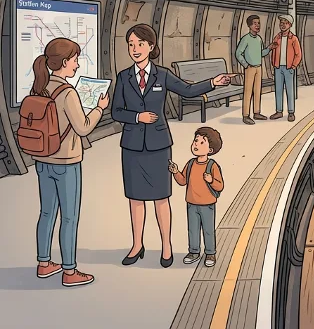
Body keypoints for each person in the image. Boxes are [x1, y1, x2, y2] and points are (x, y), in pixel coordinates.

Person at [112, 24, 233, 267]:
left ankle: (166, 245)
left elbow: (187, 91)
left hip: (158, 144)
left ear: (151, 47)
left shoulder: (163, 75)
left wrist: (213, 82)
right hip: (133, 145)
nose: (135, 49)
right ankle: (137, 244)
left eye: (140, 44)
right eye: (131, 44)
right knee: (135, 199)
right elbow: (116, 111)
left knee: (160, 198)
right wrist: (137, 117)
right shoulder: (124, 77)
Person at [29, 38, 108, 287]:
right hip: (66, 162)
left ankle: (44, 263)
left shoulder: (40, 87)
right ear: (64, 62)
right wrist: (98, 108)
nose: (77, 65)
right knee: (70, 217)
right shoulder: (68, 92)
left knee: (46, 212)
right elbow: (83, 128)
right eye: (75, 60)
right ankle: (70, 271)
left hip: (42, 160)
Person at [169, 127, 224, 267]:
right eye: (195, 140)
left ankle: (210, 253)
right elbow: (183, 181)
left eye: (201, 142)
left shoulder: (212, 166)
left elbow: (220, 186)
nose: (196, 144)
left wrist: (211, 180)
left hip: (207, 204)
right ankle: (194, 251)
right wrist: (175, 172)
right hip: (192, 203)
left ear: (210, 150)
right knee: (193, 229)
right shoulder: (191, 164)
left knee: (208, 229)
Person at [235, 15, 277, 125]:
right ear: (249, 25)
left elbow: (261, 53)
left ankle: (256, 112)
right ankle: (245, 115)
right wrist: (245, 64)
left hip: (259, 67)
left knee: (258, 91)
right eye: (255, 23)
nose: (257, 25)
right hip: (250, 68)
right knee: (248, 91)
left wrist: (269, 48)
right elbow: (238, 53)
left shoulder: (259, 39)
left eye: (258, 23)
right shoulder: (245, 39)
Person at [270, 14, 302, 122]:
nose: (282, 25)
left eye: (285, 23)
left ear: (290, 25)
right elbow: (273, 51)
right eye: (281, 23)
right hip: (278, 68)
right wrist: (273, 64)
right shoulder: (277, 37)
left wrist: (293, 66)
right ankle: (279, 111)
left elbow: (298, 54)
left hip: (289, 68)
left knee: (290, 90)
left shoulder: (293, 39)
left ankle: (291, 112)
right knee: (278, 90)